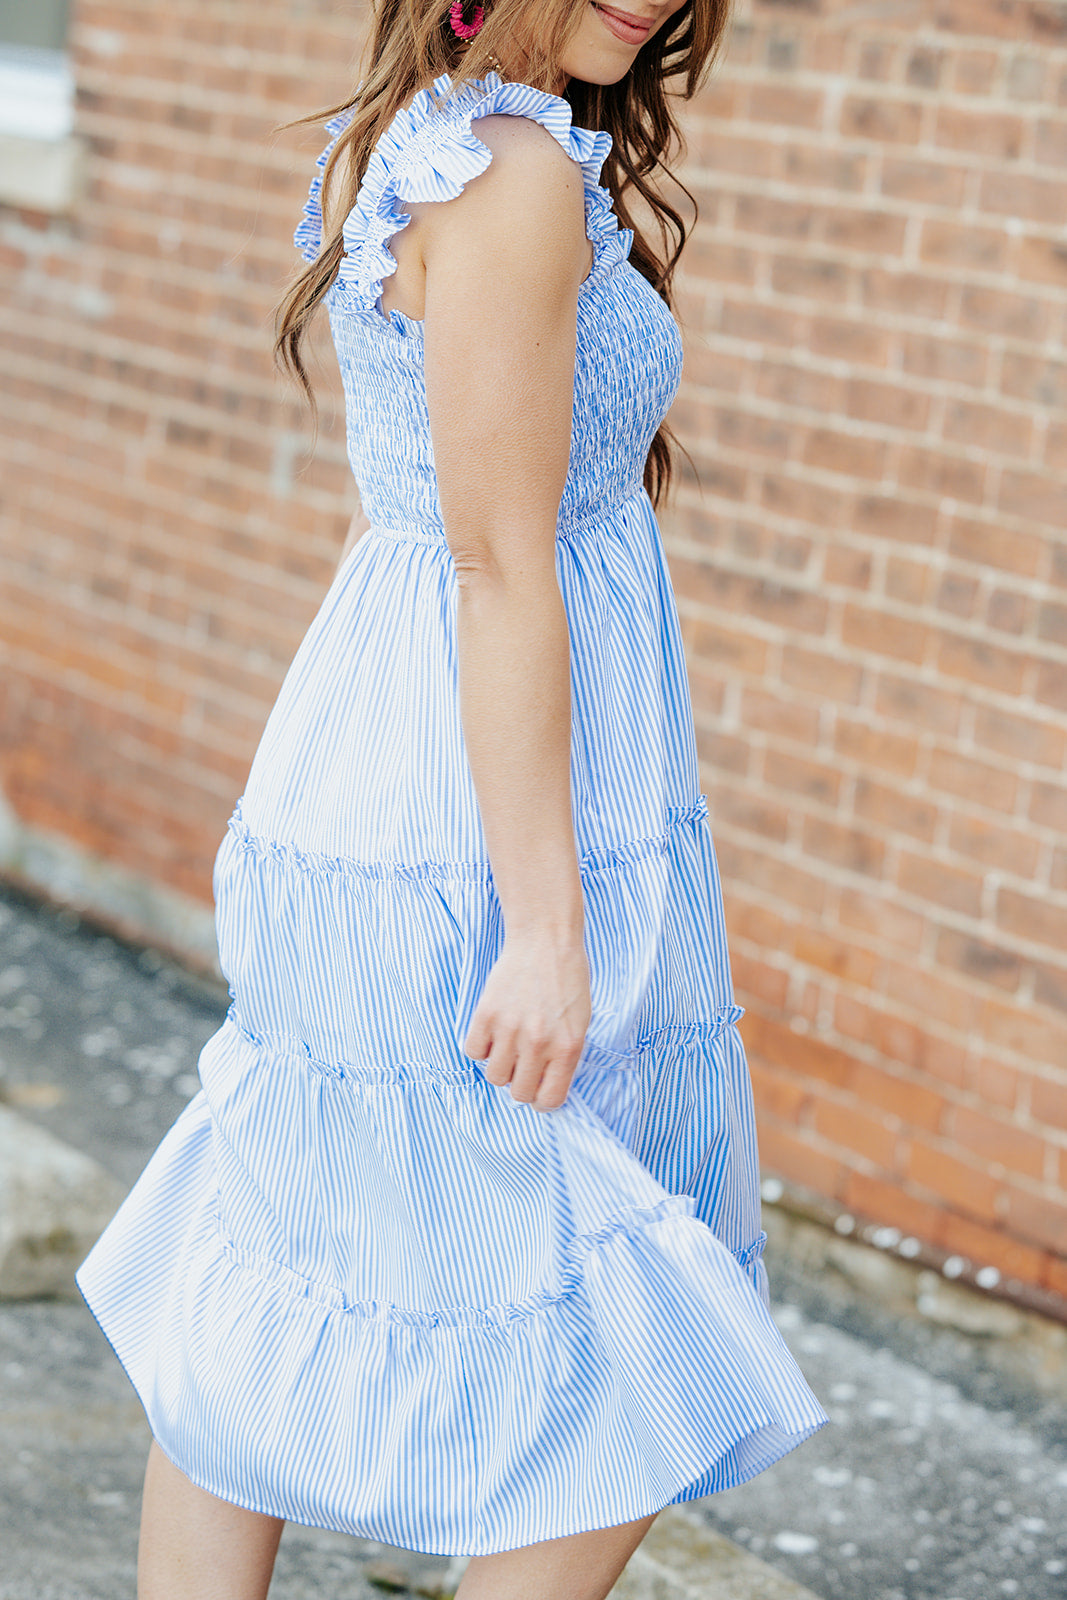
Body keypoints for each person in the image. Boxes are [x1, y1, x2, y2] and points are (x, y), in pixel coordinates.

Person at [77, 0, 829, 1595]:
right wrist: (546, 934)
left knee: (290, 1258)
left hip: (395, 768)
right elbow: (496, 563)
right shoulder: (508, 171)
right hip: (479, 828)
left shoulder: (425, 133)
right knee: (637, 1339)